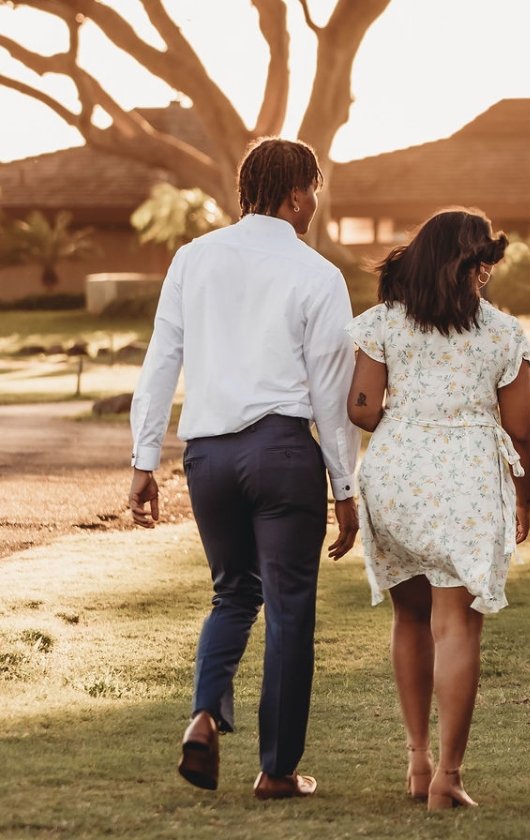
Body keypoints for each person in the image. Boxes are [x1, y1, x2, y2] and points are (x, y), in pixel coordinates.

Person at [127, 137, 359, 799]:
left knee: (232, 593)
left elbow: (160, 363)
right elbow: (329, 390)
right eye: (313, 189)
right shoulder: (317, 274)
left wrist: (145, 459)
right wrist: (345, 485)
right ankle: (277, 771)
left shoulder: (193, 259)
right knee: (288, 611)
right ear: (294, 195)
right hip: (282, 452)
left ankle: (203, 717)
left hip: (208, 458)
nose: (315, 202)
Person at [346, 209, 530, 810]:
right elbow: (523, 431)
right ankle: (447, 777)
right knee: (456, 625)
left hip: (396, 476)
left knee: (409, 618)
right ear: (475, 266)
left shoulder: (381, 324)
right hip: (466, 481)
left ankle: (417, 760)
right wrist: (523, 498)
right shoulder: (503, 334)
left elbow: (361, 408)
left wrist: (404, 419)